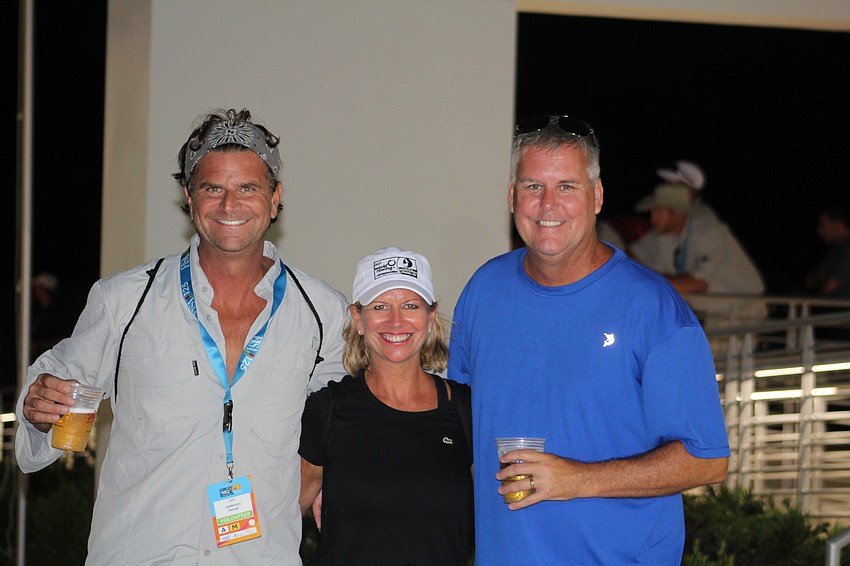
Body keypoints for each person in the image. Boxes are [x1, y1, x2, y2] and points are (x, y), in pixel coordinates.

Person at [15, 108, 348, 565]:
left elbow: (355, 418)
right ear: (189, 198)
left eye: (248, 188)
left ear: (275, 198)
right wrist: (39, 412)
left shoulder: (324, 312)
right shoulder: (124, 300)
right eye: (213, 188)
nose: (230, 205)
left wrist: (328, 475)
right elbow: (53, 403)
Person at [448, 114, 729, 564]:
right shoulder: (484, 291)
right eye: (533, 187)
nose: (547, 205)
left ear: (596, 196)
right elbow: (458, 427)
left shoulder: (653, 308)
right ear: (511, 197)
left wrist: (578, 479)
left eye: (567, 187)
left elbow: (707, 459)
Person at [299, 246, 473, 565]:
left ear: (430, 317)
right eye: (380, 306)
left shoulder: (465, 409)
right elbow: (279, 513)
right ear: (358, 318)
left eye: (410, 305)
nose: (396, 321)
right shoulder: (326, 410)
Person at [630, 182, 765, 296]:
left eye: (658, 211)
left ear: (677, 213)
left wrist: (645, 280)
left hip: (743, 311)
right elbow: (630, 255)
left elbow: (699, 283)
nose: (652, 218)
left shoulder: (708, 230)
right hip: (710, 313)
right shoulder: (662, 233)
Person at [805, 205, 850, 298]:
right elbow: (809, 282)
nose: (819, 231)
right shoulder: (835, 252)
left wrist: (822, 279)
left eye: (823, 226)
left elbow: (830, 286)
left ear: (838, 225)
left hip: (841, 311)